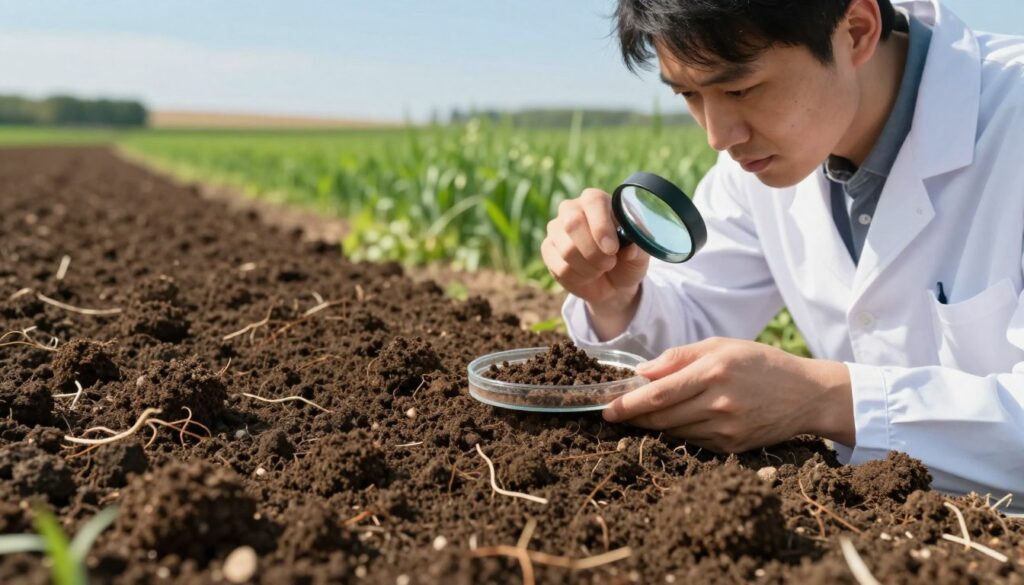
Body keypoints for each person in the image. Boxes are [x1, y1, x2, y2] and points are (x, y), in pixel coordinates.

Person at [542, 0, 1024, 508]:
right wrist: (618, 300)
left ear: (856, 31)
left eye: (739, 89)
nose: (717, 136)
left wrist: (826, 399)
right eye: (689, 94)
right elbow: (692, 330)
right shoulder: (760, 162)